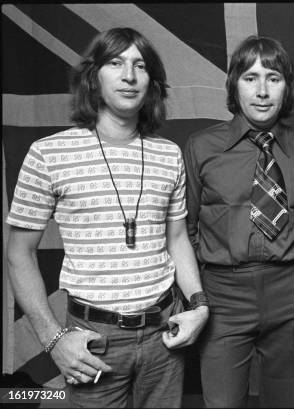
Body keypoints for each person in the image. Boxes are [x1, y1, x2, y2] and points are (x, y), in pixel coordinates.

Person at [6, 28, 209, 408]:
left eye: (140, 65)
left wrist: (198, 305)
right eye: (115, 63)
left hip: (164, 332)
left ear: (152, 82)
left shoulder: (168, 154)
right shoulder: (49, 154)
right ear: (93, 77)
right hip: (93, 337)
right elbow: (18, 253)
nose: (129, 75)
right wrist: (53, 338)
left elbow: (177, 238)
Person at [184, 35, 294, 408]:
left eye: (273, 78)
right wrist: (207, 283)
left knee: (287, 401)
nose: (262, 91)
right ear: (234, 85)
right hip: (224, 293)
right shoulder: (201, 147)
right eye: (250, 77)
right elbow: (186, 228)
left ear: (286, 86)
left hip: (290, 288)